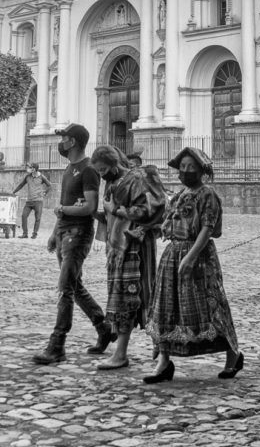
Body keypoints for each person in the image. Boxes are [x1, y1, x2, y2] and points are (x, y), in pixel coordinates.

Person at [143, 147, 243, 383]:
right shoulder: (179, 195)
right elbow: (168, 223)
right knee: (167, 307)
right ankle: (164, 362)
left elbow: (207, 229)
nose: (185, 171)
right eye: (183, 167)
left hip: (197, 257)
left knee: (210, 306)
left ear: (201, 170)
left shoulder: (207, 195)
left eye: (191, 167)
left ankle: (233, 354)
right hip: (173, 255)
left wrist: (191, 257)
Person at [33, 123, 115, 365]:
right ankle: (104, 327)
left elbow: (90, 206)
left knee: (66, 289)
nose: (61, 142)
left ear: (74, 142)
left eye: (65, 138)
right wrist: (54, 233)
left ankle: (57, 344)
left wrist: (63, 210)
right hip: (64, 232)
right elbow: (65, 205)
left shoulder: (88, 170)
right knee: (75, 287)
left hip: (78, 234)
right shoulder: (70, 168)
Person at [90, 145, 167, 370]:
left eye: (104, 169)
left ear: (115, 164)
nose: (102, 174)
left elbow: (147, 210)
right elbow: (111, 213)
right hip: (117, 249)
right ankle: (139, 349)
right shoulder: (113, 183)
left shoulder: (136, 179)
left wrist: (117, 210)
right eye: (99, 171)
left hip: (134, 247)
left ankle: (148, 349)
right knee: (124, 298)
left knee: (138, 296)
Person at [12, 161, 51, 239]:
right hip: (29, 201)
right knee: (24, 216)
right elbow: (21, 185)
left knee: (37, 218)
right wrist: (13, 192)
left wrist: (44, 193)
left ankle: (34, 234)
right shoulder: (27, 177)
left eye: (30, 167)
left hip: (38, 201)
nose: (28, 169)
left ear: (34, 169)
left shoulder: (42, 177)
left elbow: (49, 185)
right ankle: (25, 234)